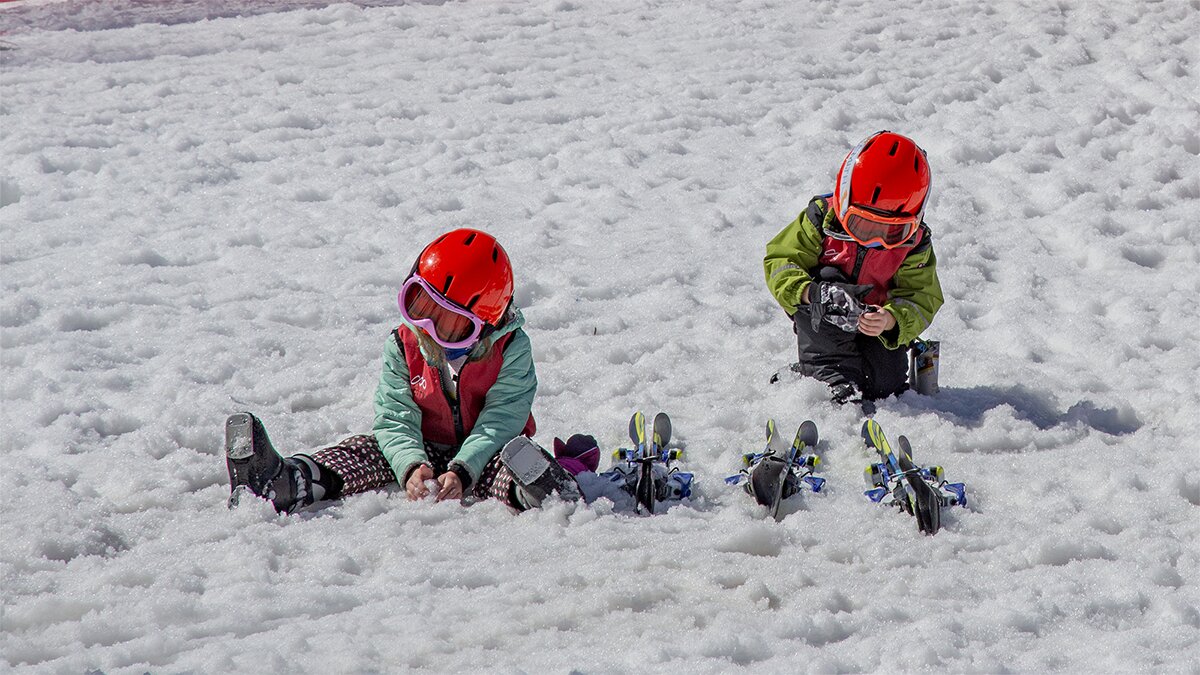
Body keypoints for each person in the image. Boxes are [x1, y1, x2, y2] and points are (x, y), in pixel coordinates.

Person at [225, 228, 578, 514]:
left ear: (484, 327)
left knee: (509, 460)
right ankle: (286, 481)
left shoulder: (510, 350)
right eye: (419, 305)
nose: (427, 329)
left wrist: (463, 469)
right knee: (363, 451)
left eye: (450, 326)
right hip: (419, 445)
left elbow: (502, 418)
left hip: (483, 453)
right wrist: (410, 466)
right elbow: (395, 416)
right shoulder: (404, 344)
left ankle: (541, 489)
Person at [764, 131, 944, 405]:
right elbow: (781, 261)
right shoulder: (821, 218)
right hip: (823, 314)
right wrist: (809, 293)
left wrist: (891, 320)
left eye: (891, 233)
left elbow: (922, 297)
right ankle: (821, 376)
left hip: (873, 326)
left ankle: (832, 374)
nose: (874, 241)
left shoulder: (915, 244)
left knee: (886, 384)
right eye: (863, 225)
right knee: (838, 374)